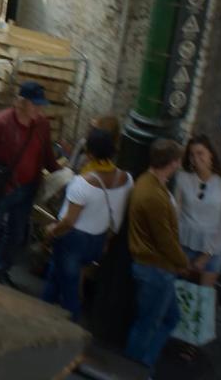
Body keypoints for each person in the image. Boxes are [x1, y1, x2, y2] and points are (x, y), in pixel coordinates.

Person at [0, 81, 60, 287]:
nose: (39, 109)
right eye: (35, 104)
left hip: (27, 189)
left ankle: (0, 269)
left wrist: (63, 175)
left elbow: (46, 155)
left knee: (17, 234)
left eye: (41, 104)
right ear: (21, 102)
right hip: (1, 189)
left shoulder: (42, 125)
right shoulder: (1, 123)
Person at [41, 129, 133, 321]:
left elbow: (68, 221)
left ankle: (70, 328)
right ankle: (42, 310)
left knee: (70, 293)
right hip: (97, 241)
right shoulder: (125, 179)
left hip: (73, 242)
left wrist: (51, 232)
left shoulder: (82, 184)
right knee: (55, 276)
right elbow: (117, 215)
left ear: (89, 154)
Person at [125, 139, 190, 375]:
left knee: (170, 318)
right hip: (156, 270)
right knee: (147, 325)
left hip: (156, 269)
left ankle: (145, 364)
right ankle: (134, 371)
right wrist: (184, 263)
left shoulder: (149, 182)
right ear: (172, 163)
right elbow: (165, 240)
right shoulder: (153, 195)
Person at [175, 135, 221, 288]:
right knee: (177, 291)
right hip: (184, 244)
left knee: (203, 297)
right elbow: (176, 213)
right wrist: (176, 249)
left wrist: (206, 256)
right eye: (192, 154)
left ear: (211, 153)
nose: (196, 158)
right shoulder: (183, 178)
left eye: (200, 153)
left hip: (212, 249)